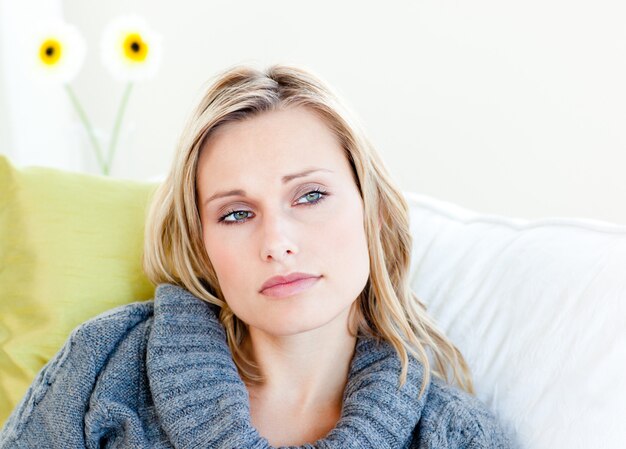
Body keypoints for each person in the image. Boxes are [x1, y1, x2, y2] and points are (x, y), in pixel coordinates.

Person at [0, 64, 514, 448]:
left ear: (373, 212)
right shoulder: (104, 367)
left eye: (310, 196)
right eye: (236, 214)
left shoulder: (453, 434)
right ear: (202, 244)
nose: (276, 242)